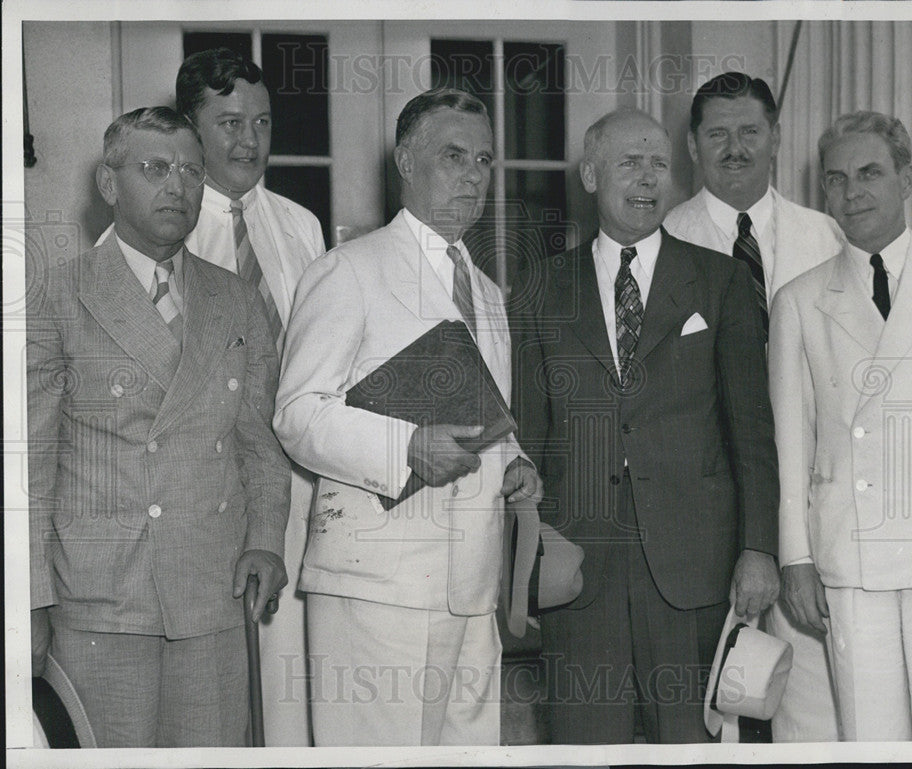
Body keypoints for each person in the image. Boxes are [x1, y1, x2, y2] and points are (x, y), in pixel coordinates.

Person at [272, 87, 541, 746]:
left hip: (471, 587)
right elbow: (297, 412)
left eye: (484, 161)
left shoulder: (487, 291)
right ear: (405, 161)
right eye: (454, 156)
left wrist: (516, 463)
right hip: (376, 586)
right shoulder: (348, 270)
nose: (474, 175)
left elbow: (485, 416)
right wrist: (406, 446)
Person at [509, 108, 779, 744]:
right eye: (629, 162)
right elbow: (527, 435)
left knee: (692, 746)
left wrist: (760, 546)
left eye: (659, 163)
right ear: (591, 174)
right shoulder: (542, 285)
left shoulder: (720, 281)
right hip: (579, 569)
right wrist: (526, 557)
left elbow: (752, 430)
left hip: (694, 567)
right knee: (583, 745)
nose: (647, 177)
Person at [27, 107, 290, 747]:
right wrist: (30, 605)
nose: (178, 186)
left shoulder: (236, 298)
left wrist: (267, 539)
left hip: (213, 593)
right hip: (98, 599)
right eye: (155, 168)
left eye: (192, 172)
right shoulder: (56, 295)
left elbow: (262, 445)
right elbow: (30, 466)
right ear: (109, 184)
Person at [770, 110, 912, 741]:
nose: (852, 191)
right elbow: (790, 440)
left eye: (869, 173)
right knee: (870, 740)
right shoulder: (800, 300)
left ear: (906, 179)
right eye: (836, 179)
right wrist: (795, 557)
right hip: (852, 552)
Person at [664, 71, 842, 742]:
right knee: (719, 700)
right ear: (692, 144)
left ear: (775, 136)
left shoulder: (826, 236)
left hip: (811, 498)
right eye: (717, 134)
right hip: (707, 505)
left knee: (814, 697)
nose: (734, 148)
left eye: (749, 132)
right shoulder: (661, 241)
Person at [174, 46, 325, 746]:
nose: (249, 141)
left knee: (288, 682)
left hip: (291, 484)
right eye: (229, 122)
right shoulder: (160, 230)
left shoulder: (299, 227)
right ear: (190, 128)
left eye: (262, 123)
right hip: (199, 492)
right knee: (211, 691)